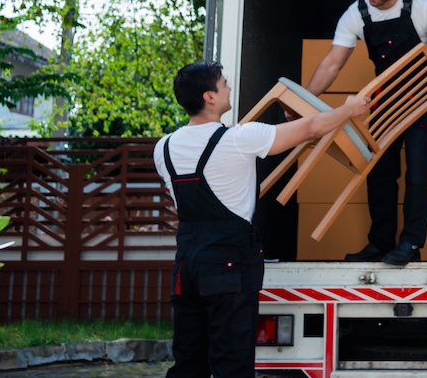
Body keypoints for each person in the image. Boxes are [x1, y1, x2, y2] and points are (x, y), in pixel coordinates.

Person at [154, 60, 368, 378]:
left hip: (186, 266)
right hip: (227, 264)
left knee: (188, 361)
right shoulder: (240, 139)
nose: (228, 87)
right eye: (223, 83)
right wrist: (349, 108)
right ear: (209, 97)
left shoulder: (164, 148)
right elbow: (311, 128)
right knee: (232, 362)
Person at [302, 0, 427, 265]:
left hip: (421, 97)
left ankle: (410, 244)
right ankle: (379, 243)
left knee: (418, 169)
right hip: (383, 99)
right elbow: (332, 64)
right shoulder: (356, 14)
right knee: (378, 173)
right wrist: (305, 99)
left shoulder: (423, 6)